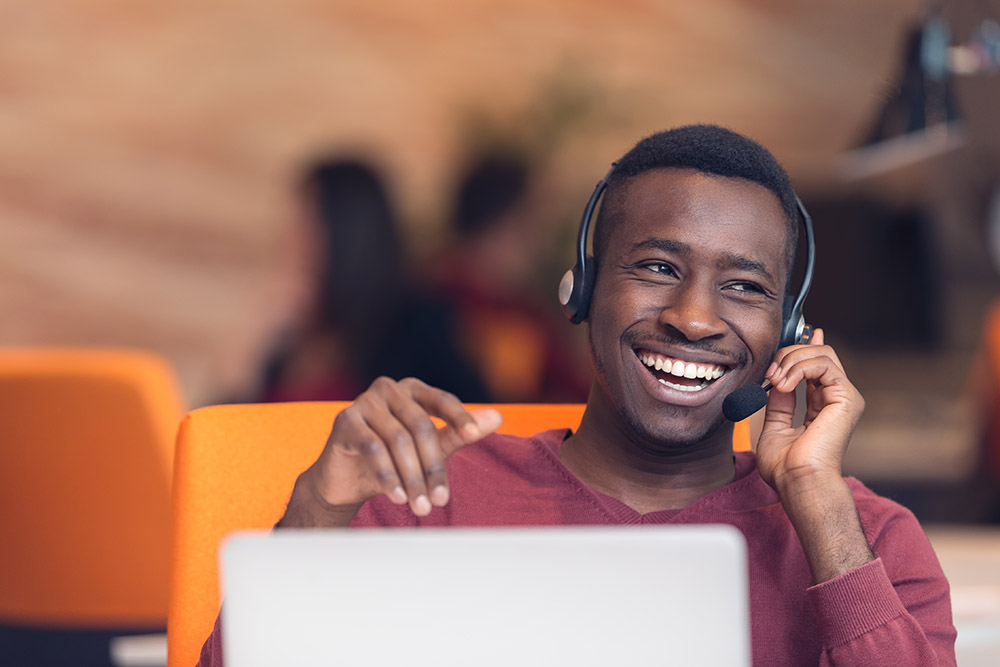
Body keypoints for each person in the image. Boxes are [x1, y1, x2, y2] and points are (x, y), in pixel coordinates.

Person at [200, 126, 956, 665]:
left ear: (787, 326)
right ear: (585, 289)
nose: (693, 317)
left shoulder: (870, 540)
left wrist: (818, 504)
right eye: (658, 267)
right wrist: (315, 513)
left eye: (744, 286)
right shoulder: (426, 497)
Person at [255, 157, 490, 403]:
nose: (289, 239)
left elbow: (473, 416)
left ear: (349, 233)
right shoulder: (293, 332)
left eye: (305, 224)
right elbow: (244, 426)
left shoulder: (418, 325)